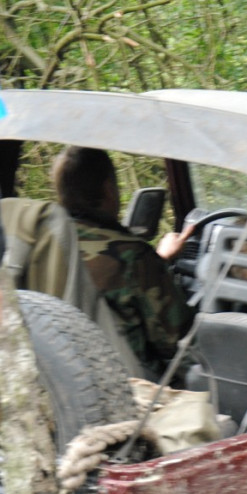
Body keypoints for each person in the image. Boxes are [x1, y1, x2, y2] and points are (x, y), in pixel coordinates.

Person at [52, 146, 193, 379]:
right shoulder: (133, 256)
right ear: (108, 190)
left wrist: (159, 261)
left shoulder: (45, 243)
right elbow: (177, 341)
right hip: (130, 388)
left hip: (61, 379)